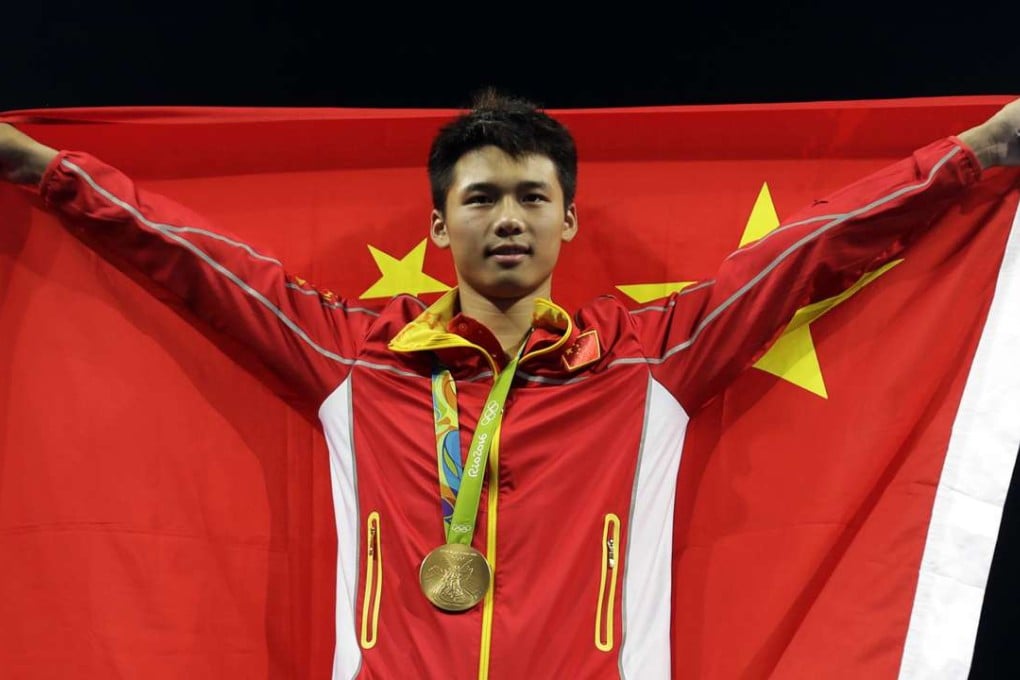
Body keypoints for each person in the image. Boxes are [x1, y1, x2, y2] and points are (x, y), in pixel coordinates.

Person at [1, 90, 1018, 679]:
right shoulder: (352, 356)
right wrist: (31, 164)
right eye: (481, 196)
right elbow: (185, 255)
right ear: (439, 227)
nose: (509, 218)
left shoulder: (645, 359)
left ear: (568, 222)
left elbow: (811, 251)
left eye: (534, 196)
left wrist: (979, 156)